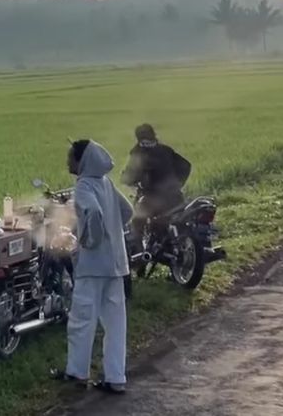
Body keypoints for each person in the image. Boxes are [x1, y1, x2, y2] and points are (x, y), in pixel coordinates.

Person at [52, 139, 133, 394]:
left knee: (82, 321)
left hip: (93, 265)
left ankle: (77, 373)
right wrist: (112, 233)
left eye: (70, 158)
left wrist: (88, 241)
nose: (67, 162)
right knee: (115, 323)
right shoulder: (106, 183)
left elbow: (94, 214)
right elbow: (127, 211)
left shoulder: (85, 185)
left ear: (81, 161)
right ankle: (115, 378)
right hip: (116, 264)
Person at [121, 124, 191, 250]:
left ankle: (140, 255)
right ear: (154, 135)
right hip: (176, 197)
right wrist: (179, 183)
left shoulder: (139, 152)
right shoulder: (165, 149)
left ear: (138, 137)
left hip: (153, 199)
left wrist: (126, 178)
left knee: (137, 221)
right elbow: (186, 165)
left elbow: (131, 173)